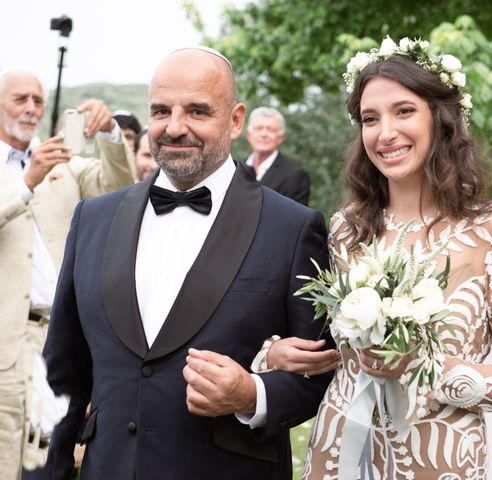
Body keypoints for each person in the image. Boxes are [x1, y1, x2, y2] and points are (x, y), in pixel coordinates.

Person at [34, 46, 333, 480]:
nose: (174, 128)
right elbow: (61, 374)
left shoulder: (293, 227)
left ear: (235, 120)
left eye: (197, 111)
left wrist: (252, 394)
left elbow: (320, 372)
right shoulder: (93, 218)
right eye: (160, 111)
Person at [255, 37, 492, 479]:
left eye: (404, 111)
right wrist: (274, 356)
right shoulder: (346, 228)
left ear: (440, 118)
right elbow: (329, 350)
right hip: (339, 455)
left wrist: (423, 366)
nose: (385, 133)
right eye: (370, 119)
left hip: (444, 461)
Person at [0, 67, 136, 478]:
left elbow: (118, 188)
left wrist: (111, 132)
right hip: (6, 339)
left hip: (60, 339)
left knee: (50, 458)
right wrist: (28, 179)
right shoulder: (36, 169)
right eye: (19, 98)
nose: (31, 108)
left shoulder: (67, 166)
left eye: (38, 100)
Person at [245, 106, 311, 205]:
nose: (264, 134)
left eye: (271, 130)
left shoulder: (295, 176)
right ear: (248, 135)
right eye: (259, 128)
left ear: (281, 138)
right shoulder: (233, 168)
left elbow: (295, 218)